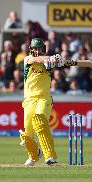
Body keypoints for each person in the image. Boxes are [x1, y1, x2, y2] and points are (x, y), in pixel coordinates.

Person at [20, 38, 67, 166]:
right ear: (31, 49)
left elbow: (56, 66)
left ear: (43, 49)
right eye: (35, 48)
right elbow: (38, 60)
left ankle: (49, 156)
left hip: (44, 98)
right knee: (27, 135)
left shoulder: (49, 64)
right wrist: (51, 58)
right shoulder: (28, 60)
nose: (37, 50)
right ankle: (34, 155)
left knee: (39, 120)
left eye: (40, 48)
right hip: (29, 100)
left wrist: (60, 62)